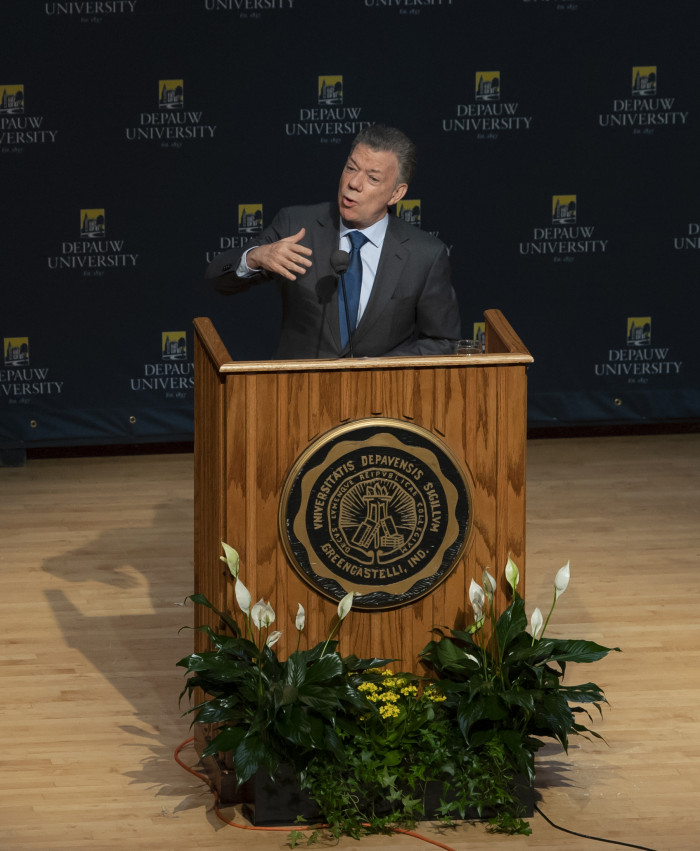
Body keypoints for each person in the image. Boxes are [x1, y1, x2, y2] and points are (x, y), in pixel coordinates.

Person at [205, 125, 461, 359]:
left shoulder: (424, 255)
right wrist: (255, 257)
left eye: (372, 178)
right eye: (351, 168)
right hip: (297, 397)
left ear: (396, 193)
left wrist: (379, 368)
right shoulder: (296, 226)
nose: (353, 183)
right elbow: (217, 280)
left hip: (379, 403)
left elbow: (443, 342)